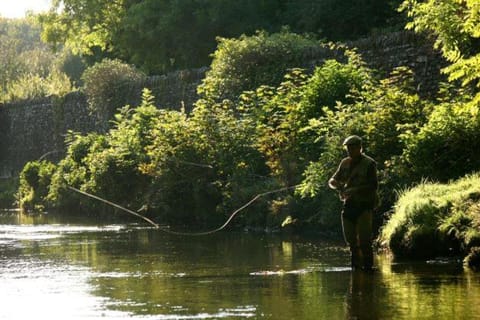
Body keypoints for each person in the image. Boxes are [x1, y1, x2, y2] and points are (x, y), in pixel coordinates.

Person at [328, 135, 378, 271]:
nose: (349, 150)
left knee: (365, 242)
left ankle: (368, 270)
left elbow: (373, 185)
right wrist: (336, 185)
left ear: (359, 148)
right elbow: (332, 180)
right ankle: (356, 271)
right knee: (351, 243)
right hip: (348, 206)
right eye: (348, 148)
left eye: (352, 148)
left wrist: (354, 190)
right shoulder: (344, 163)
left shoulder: (369, 164)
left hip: (364, 206)